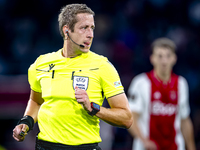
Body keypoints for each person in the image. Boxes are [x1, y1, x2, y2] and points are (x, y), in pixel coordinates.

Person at [12, 3, 133, 150]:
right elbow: (36, 101)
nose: (91, 34)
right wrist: (26, 122)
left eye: (92, 28)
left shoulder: (103, 66)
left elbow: (127, 118)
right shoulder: (41, 64)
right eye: (84, 28)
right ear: (67, 30)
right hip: (45, 146)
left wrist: (94, 108)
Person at [127, 37, 196, 150]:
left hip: (175, 146)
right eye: (159, 56)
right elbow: (131, 117)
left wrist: (191, 147)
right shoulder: (140, 82)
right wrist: (144, 141)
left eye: (168, 56)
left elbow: (184, 120)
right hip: (147, 147)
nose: (164, 61)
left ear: (174, 58)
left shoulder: (181, 84)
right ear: (152, 58)